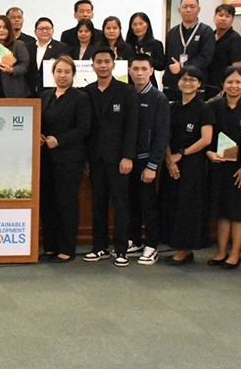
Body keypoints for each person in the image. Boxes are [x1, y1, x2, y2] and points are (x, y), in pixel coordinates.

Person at [81, 47, 138, 266]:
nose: (103, 66)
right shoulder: (87, 91)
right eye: (99, 62)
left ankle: (122, 249)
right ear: (92, 65)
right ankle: (99, 247)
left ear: (114, 64)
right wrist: (86, 158)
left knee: (121, 204)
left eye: (107, 61)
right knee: (98, 203)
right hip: (95, 159)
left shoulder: (126, 91)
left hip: (119, 159)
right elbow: (87, 128)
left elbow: (132, 127)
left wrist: (128, 156)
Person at [205, 66, 241, 269]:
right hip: (219, 166)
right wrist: (209, 153)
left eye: (238, 82)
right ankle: (221, 251)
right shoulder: (213, 106)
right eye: (229, 82)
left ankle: (235, 254)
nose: (234, 86)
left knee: (239, 212)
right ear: (223, 84)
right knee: (222, 211)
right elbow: (208, 137)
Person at [39, 55, 92, 262]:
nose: (62, 76)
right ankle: (50, 247)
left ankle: (66, 248)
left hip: (70, 159)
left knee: (66, 203)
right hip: (45, 159)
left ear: (73, 75)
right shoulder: (44, 96)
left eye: (67, 72)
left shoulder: (80, 98)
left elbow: (84, 129)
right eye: (59, 71)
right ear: (53, 74)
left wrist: (58, 141)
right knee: (48, 203)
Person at [160, 65, 214, 265]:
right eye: (184, 79)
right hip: (170, 162)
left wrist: (181, 155)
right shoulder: (172, 107)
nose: (188, 82)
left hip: (192, 164)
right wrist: (169, 158)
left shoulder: (204, 108)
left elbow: (206, 139)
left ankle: (186, 249)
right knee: (172, 203)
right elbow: (164, 134)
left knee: (188, 206)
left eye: (193, 79)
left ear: (199, 84)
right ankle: (176, 246)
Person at [127, 54, 170, 265]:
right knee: (131, 203)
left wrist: (153, 165)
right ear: (129, 70)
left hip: (147, 162)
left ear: (151, 70)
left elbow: (162, 135)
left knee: (148, 205)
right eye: (135, 69)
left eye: (144, 69)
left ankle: (152, 245)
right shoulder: (127, 94)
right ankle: (135, 240)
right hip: (129, 160)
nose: (139, 73)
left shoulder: (158, 99)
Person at [163, 0, 215, 101]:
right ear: (179, 10)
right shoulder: (172, 32)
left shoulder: (206, 31)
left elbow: (206, 57)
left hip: (196, 83)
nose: (188, 10)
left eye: (192, 6)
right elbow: (168, 58)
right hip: (174, 84)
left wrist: (182, 66)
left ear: (199, 9)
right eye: (185, 7)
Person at [0, 15, 31, 98]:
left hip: (14, 92)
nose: (1, 30)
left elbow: (25, 65)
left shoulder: (19, 45)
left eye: (5, 27)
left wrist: (11, 70)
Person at [207, 4, 241, 90]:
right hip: (207, 83)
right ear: (214, 17)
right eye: (220, 15)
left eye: (227, 16)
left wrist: (229, 86)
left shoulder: (235, 39)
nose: (223, 19)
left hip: (224, 86)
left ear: (232, 20)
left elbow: (236, 66)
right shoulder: (209, 36)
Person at [125, 12, 166, 88]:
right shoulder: (127, 45)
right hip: (129, 84)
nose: (138, 27)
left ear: (147, 25)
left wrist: (147, 59)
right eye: (135, 24)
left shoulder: (156, 44)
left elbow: (161, 66)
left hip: (149, 84)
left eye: (141, 24)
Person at [29, 16, 69, 95]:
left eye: (48, 28)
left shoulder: (61, 47)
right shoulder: (28, 47)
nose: (44, 31)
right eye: (41, 29)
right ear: (35, 31)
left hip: (51, 91)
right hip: (30, 91)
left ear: (53, 31)